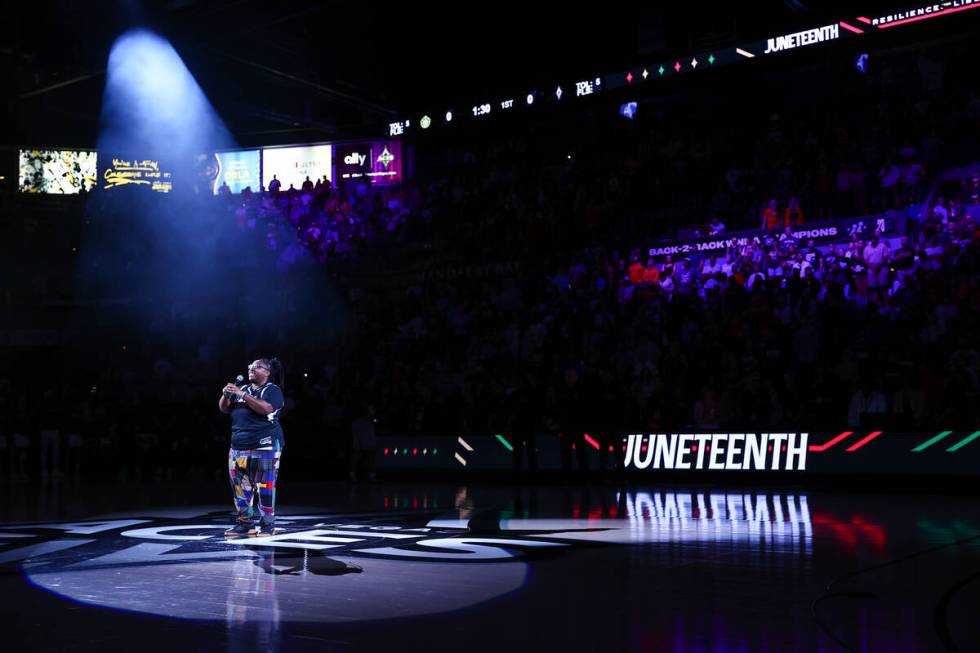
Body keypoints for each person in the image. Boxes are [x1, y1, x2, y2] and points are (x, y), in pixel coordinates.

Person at [219, 358, 286, 537]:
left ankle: (267, 525)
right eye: (250, 366)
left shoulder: (272, 390)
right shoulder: (244, 389)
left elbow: (266, 408)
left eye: (256, 367)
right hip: (238, 446)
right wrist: (226, 395)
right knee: (240, 487)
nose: (251, 369)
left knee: (265, 486)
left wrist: (242, 395)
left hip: (264, 445)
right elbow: (224, 409)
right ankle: (245, 524)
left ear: (267, 372)